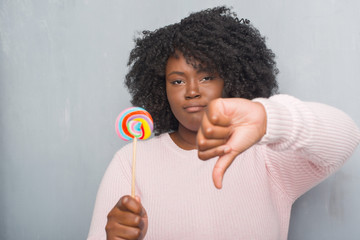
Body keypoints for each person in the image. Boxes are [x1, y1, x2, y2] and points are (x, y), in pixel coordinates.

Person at [87, 6, 360, 240]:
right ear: (162, 89)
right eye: (177, 80)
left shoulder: (266, 155)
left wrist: (268, 118)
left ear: (231, 78)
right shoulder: (131, 162)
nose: (192, 90)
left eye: (206, 77)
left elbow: (346, 137)